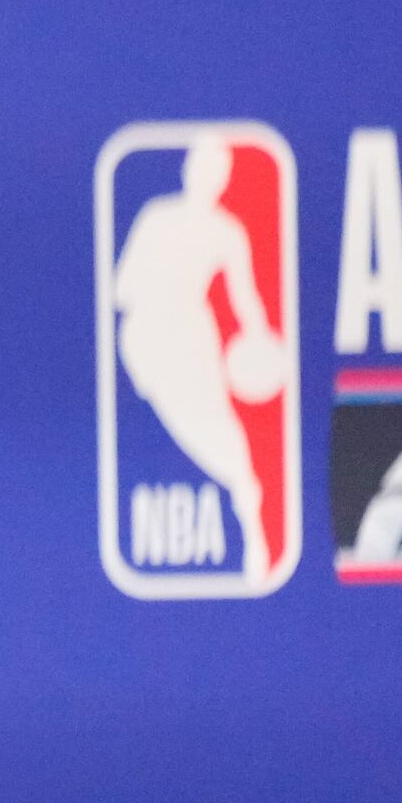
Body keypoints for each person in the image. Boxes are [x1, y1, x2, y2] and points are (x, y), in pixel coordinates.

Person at [113, 134, 287, 574]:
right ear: (189, 171)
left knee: (226, 438)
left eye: (217, 172)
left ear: (223, 180)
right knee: (181, 427)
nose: (207, 177)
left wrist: (262, 339)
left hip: (194, 337)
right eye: (201, 168)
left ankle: (254, 532)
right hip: (148, 339)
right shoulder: (156, 217)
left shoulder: (228, 232)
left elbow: (246, 299)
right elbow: (123, 289)